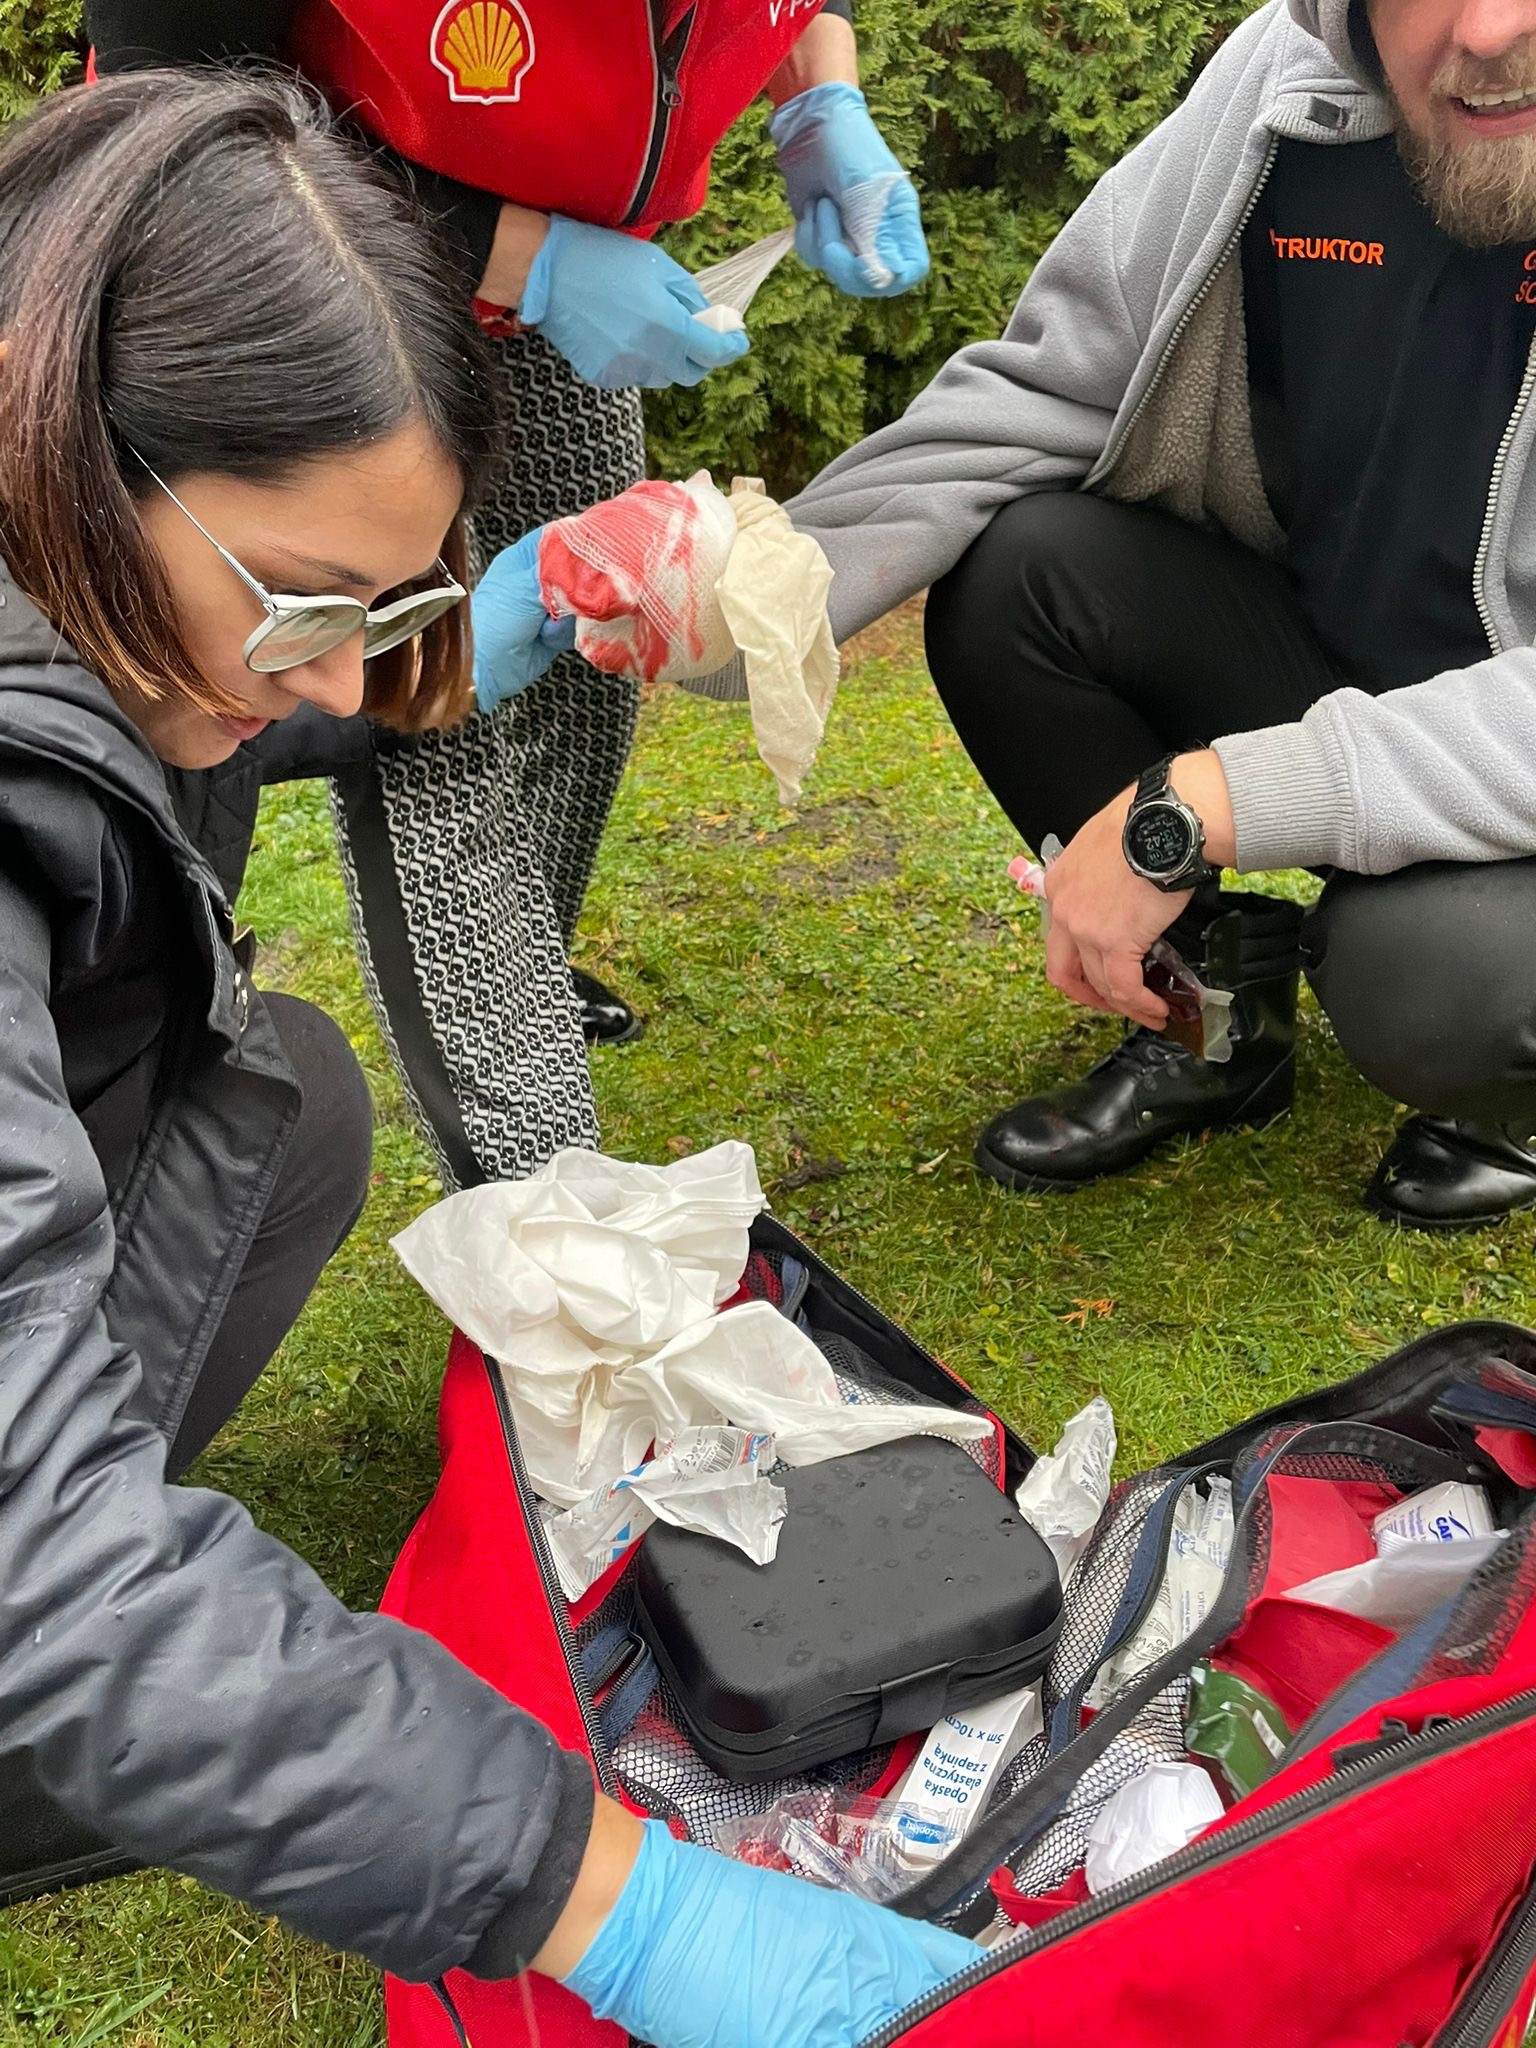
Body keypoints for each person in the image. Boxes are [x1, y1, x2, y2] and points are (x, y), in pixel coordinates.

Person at [0, 71, 981, 2032]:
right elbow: (39, 1554)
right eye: (314, 602)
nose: (358, 679)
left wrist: (510, 613)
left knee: (288, 1101)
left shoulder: (77, 570)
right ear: (78, 459)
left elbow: (259, 689)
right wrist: (611, 1897)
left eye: (398, 600)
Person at [86, 0, 930, 1193]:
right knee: (429, 717)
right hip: (300, 298)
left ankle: (523, 966)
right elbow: (167, 124)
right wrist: (522, 257)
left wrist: (816, 91)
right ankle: (542, 1216)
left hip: (550, 287)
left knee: (578, 669)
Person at [775, 0, 1536, 1232]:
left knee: (1430, 976)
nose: (1491, 29)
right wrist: (748, 589)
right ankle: (1215, 1028)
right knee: (1025, 579)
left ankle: (1508, 1081)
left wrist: (1198, 806)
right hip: (1352, 662)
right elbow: (1056, 375)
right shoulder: (1278, 89)